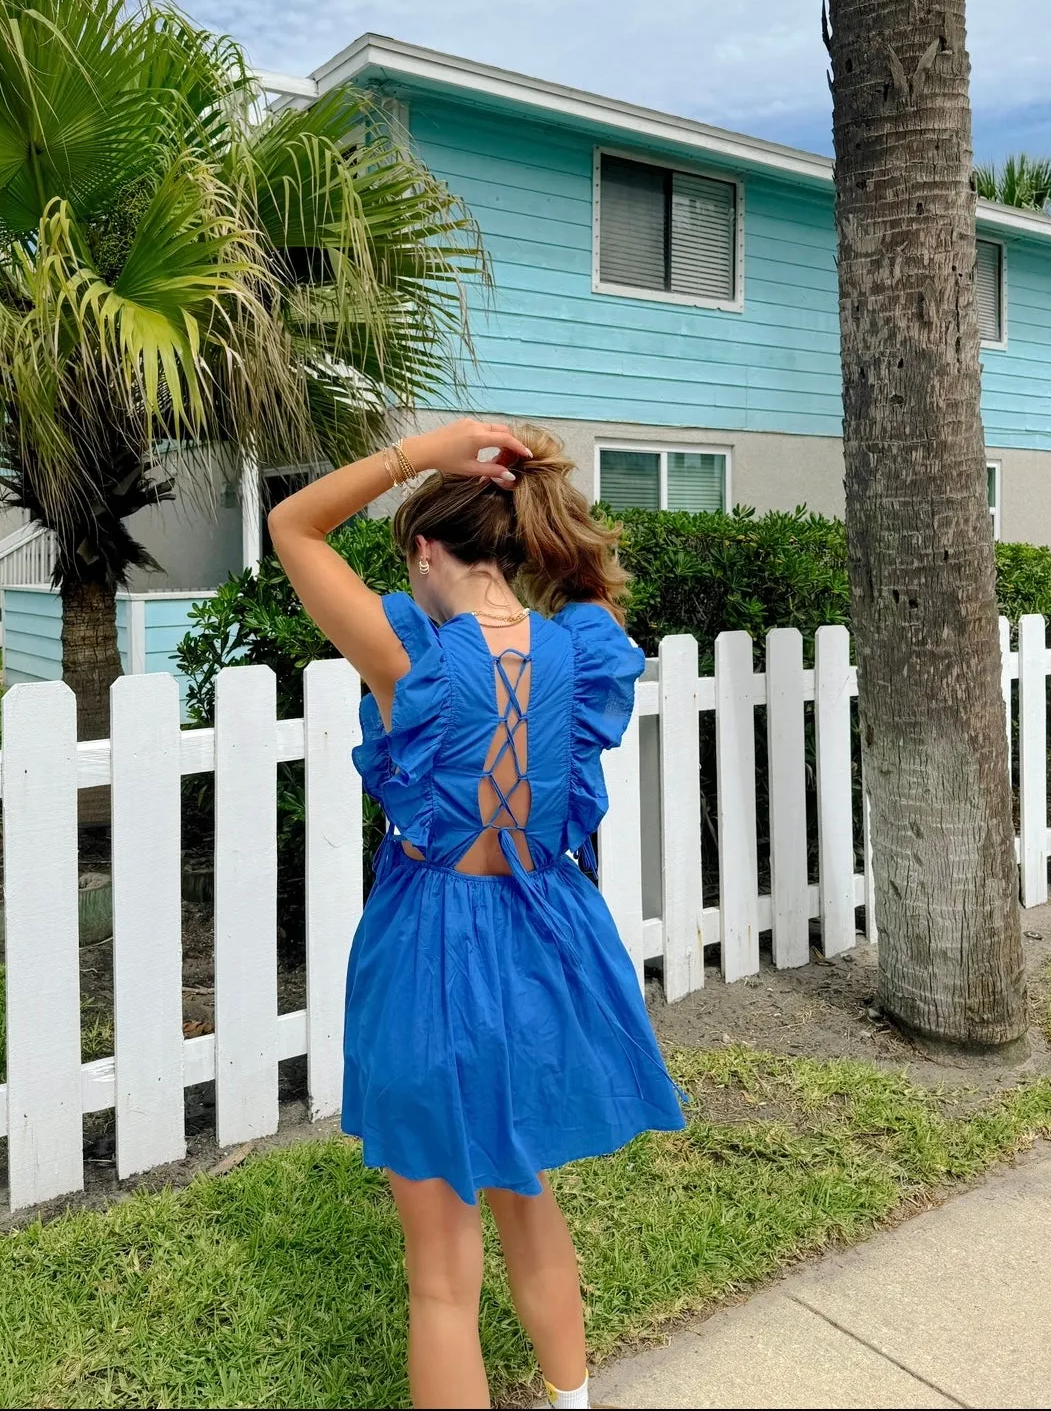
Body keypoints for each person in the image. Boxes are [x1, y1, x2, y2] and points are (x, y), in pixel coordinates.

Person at [268, 418, 686, 1411]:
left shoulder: (409, 653)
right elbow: (584, 595)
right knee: (529, 1195)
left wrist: (423, 450)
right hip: (549, 945)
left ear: (424, 548)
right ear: (508, 548)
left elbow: (294, 525)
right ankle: (571, 1398)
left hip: (433, 952)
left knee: (442, 1277)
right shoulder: (580, 652)